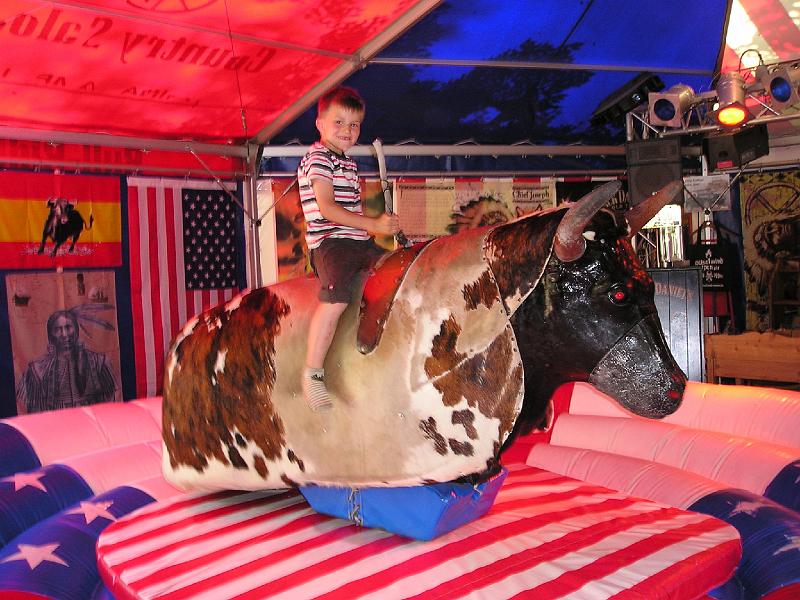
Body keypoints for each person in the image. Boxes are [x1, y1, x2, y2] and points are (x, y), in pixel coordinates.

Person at [298, 86, 399, 412]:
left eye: (354, 124)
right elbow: (327, 208)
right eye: (339, 122)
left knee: (398, 274)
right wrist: (373, 224)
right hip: (330, 242)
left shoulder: (347, 163)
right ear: (320, 124)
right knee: (337, 298)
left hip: (357, 241)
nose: (347, 130)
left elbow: (353, 213)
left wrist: (377, 228)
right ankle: (312, 372)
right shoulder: (317, 158)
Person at [16, 309, 116, 413]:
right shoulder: (37, 370)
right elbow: (35, 412)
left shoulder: (98, 362)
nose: (64, 334)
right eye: (58, 329)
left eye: (68, 327)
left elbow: (109, 405)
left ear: (76, 330)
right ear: (50, 334)